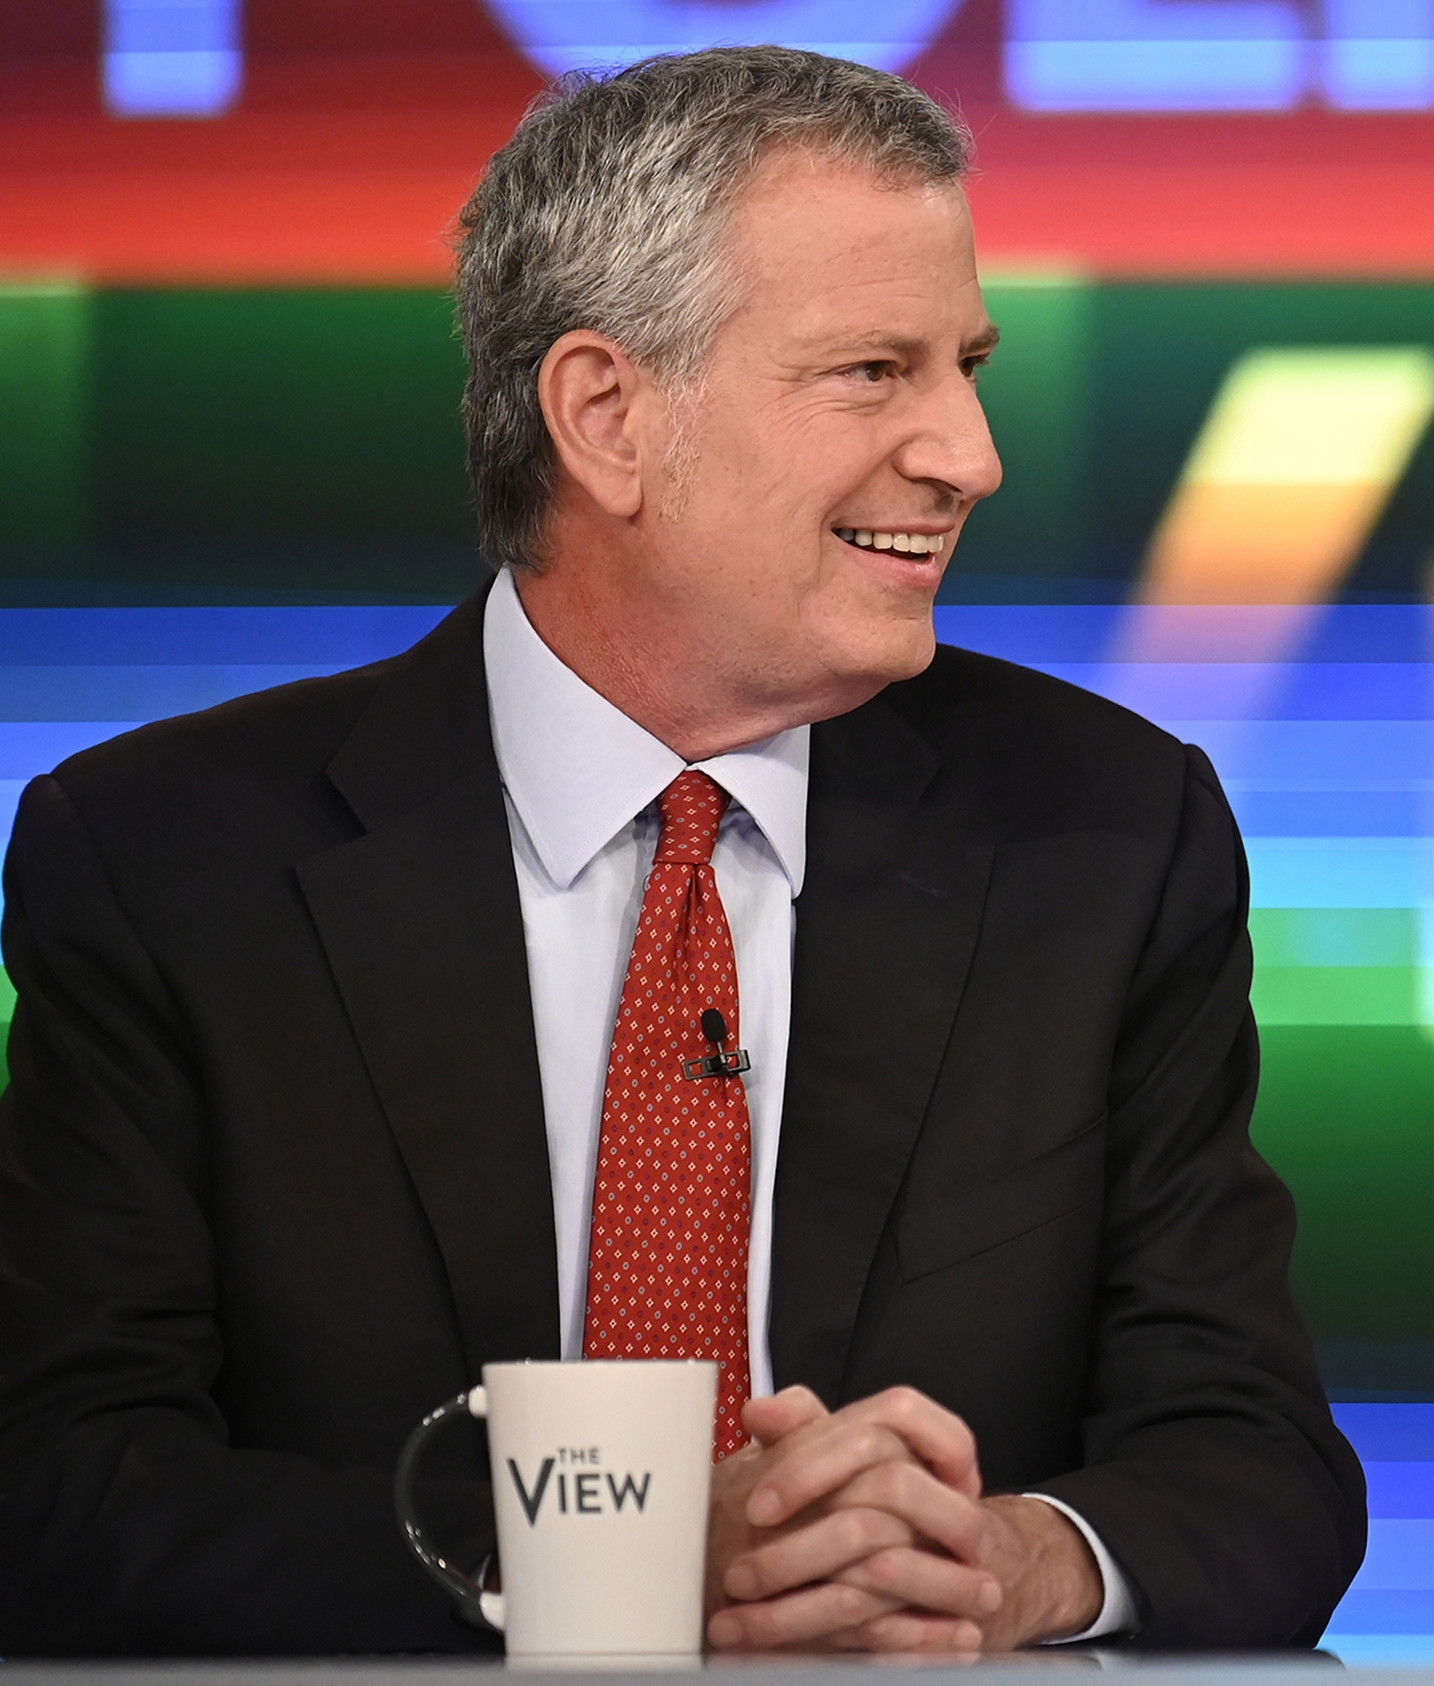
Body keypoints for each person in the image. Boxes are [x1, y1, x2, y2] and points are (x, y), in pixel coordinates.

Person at [0, 47, 1362, 1655]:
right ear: (607, 416)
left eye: (967, 366)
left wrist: (1020, 1560)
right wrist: (619, 1552)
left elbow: (1263, 1463)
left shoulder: (1109, 836)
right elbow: (64, 1487)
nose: (968, 454)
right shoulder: (171, 862)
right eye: (872, 371)